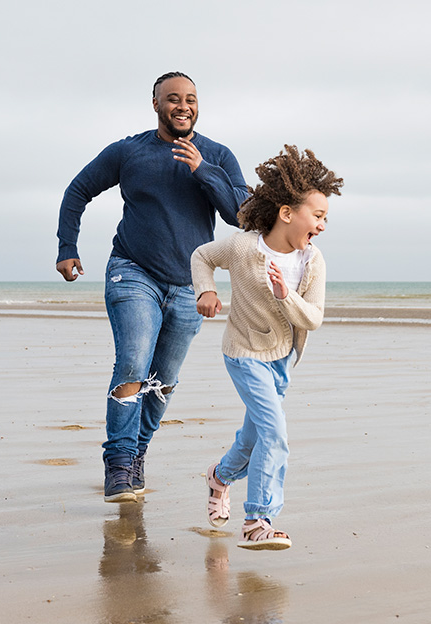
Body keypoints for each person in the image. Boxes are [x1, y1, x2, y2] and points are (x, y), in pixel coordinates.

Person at [56, 72, 248, 502]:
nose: (183, 105)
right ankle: (120, 463)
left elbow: (242, 214)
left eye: (191, 99)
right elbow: (78, 189)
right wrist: (67, 245)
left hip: (189, 284)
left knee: (164, 382)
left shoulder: (217, 154)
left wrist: (204, 170)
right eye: (173, 98)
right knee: (133, 365)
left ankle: (137, 452)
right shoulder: (130, 150)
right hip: (132, 271)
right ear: (156, 103)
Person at [191, 145, 343, 550]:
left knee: (252, 439)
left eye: (326, 217)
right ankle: (258, 520)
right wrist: (205, 291)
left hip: (281, 360)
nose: (323, 225)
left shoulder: (313, 262)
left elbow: (312, 317)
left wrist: (284, 295)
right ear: (287, 213)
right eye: (318, 215)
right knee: (275, 433)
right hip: (243, 353)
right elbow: (201, 256)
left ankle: (219, 478)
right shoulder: (243, 248)